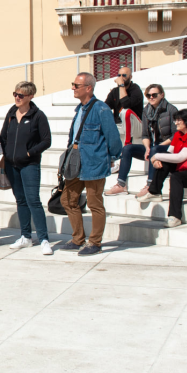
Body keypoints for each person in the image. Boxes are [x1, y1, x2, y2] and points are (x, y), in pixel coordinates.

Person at [59, 73, 122, 255]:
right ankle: (78, 238)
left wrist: (112, 158)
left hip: (94, 162)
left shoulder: (101, 109)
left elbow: (113, 137)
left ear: (88, 88)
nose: (73, 88)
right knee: (67, 199)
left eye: (76, 85)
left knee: (95, 203)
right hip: (76, 161)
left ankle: (95, 242)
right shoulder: (79, 109)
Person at [0, 81, 53, 255]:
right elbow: (3, 136)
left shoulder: (38, 116)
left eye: (21, 95)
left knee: (33, 201)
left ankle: (44, 239)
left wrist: (29, 153)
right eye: (15, 94)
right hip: (11, 164)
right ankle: (26, 237)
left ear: (30, 96)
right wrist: (7, 154)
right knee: (20, 201)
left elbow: (46, 140)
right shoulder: (11, 113)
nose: (17, 97)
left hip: (29, 164)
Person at [105, 83, 177, 198]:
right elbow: (145, 135)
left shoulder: (171, 110)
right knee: (128, 148)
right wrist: (148, 148)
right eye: (148, 96)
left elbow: (175, 136)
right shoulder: (146, 110)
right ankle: (121, 184)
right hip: (153, 147)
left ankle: (150, 186)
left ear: (162, 95)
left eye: (154, 95)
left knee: (155, 149)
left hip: (167, 147)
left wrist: (155, 148)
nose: (151, 98)